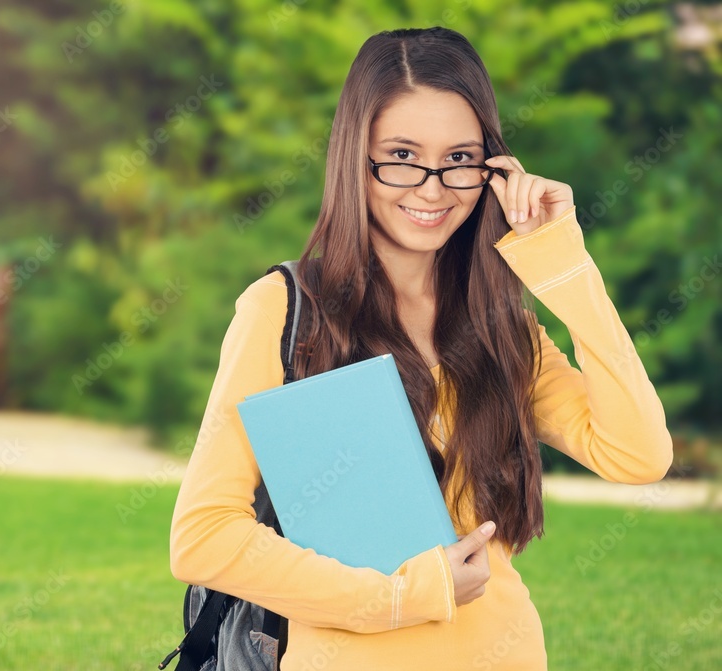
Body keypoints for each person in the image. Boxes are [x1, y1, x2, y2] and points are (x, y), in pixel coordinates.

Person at [168, 26, 673, 670]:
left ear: (491, 168)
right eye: (402, 156)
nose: (433, 189)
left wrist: (561, 263)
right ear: (356, 156)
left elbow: (639, 454)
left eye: (460, 159)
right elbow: (203, 538)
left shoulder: (500, 327)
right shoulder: (286, 312)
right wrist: (402, 598)